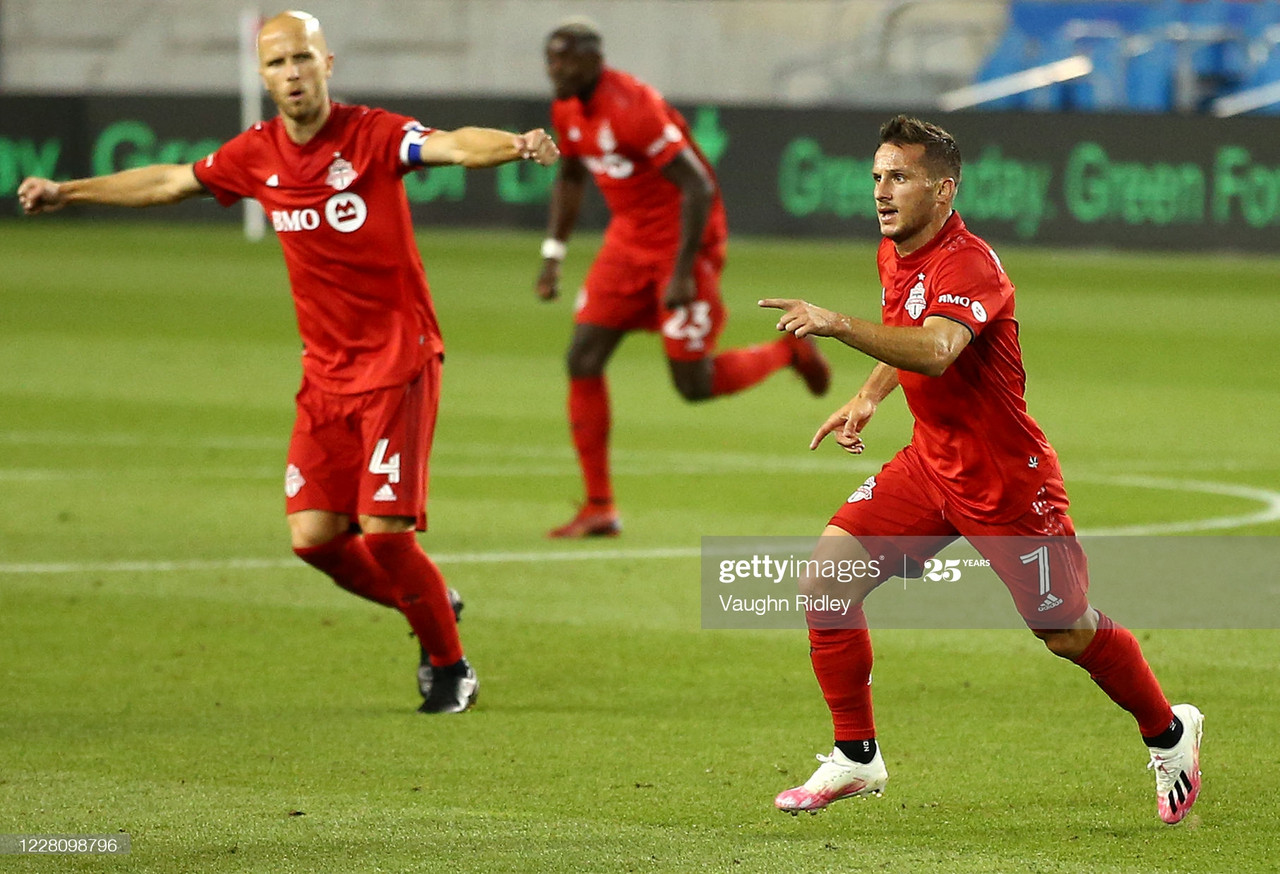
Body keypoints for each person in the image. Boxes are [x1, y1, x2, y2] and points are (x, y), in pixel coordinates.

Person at [17, 9, 560, 714]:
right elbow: (168, 182)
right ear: (263, 76)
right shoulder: (257, 153)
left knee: (386, 534)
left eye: (302, 58)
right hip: (326, 375)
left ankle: (449, 663)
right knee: (314, 540)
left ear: (327, 64)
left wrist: (515, 145)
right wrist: (68, 191)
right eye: (276, 63)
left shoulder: (373, 136)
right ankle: (429, 602)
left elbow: (452, 146)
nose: (292, 73)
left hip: (399, 362)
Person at [758, 116, 1202, 824]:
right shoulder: (897, 249)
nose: (881, 191)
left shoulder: (971, 265)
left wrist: (837, 324)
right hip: (931, 465)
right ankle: (856, 755)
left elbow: (935, 349)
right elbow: (903, 332)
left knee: (1064, 630)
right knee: (827, 580)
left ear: (943, 189)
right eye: (876, 176)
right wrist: (868, 397)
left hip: (1006, 481)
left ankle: (1170, 733)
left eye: (898, 177)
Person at [535, 20, 832, 538]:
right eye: (551, 60)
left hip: (681, 245)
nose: (555, 71)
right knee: (581, 357)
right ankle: (599, 506)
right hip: (626, 244)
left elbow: (696, 187)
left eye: (565, 61)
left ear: (593, 61)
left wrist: (681, 272)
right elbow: (571, 175)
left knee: (692, 385)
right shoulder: (566, 108)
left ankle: (788, 353)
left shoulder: (633, 108)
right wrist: (553, 253)